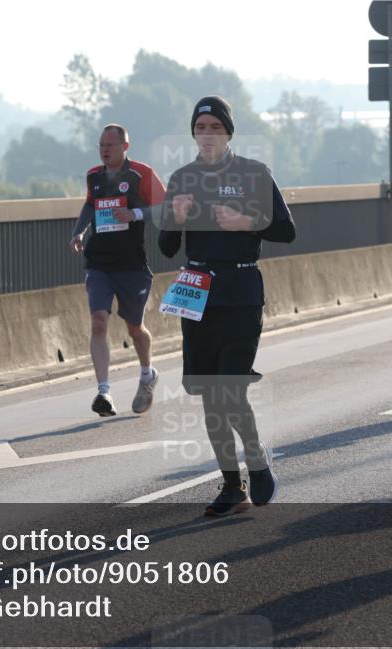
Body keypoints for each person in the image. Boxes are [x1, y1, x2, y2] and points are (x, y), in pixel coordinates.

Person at [158, 96, 296, 516]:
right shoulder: (182, 178)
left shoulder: (254, 174)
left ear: (228, 133)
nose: (207, 134)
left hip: (240, 289)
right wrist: (176, 219)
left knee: (230, 389)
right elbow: (166, 248)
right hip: (197, 292)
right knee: (209, 396)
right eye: (200, 127)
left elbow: (288, 231)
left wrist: (246, 222)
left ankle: (256, 462)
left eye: (215, 127)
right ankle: (231, 484)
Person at [70, 124, 166, 417]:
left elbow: (166, 209)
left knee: (135, 328)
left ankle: (147, 373)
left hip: (132, 265)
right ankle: (104, 392)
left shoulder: (141, 174)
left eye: (110, 145)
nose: (104, 150)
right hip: (99, 263)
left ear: (125, 146)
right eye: (101, 145)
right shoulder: (93, 176)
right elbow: (90, 205)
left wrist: (134, 214)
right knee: (99, 321)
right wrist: (78, 232)